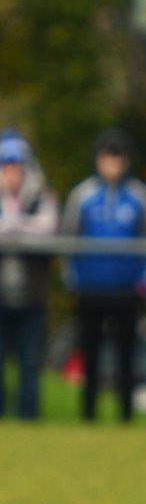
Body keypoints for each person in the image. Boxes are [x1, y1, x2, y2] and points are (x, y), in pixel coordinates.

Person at [62, 129, 146, 423]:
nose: (112, 165)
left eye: (117, 158)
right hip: (90, 290)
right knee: (90, 357)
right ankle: (88, 417)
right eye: (107, 158)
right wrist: (73, 281)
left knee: (126, 359)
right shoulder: (82, 196)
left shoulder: (139, 196)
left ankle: (126, 418)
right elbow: (67, 240)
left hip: (126, 291)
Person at [0, 132, 58, 419]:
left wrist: (14, 225)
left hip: (32, 295)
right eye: (5, 164)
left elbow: (47, 230)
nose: (11, 171)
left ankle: (28, 418)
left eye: (16, 164)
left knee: (30, 362)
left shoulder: (40, 196)